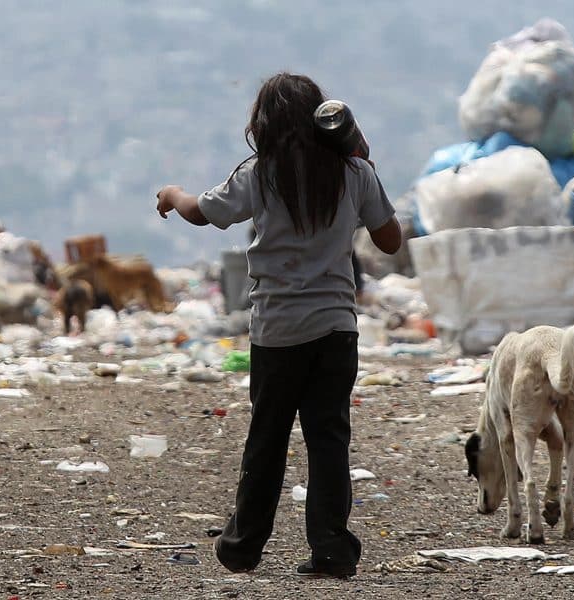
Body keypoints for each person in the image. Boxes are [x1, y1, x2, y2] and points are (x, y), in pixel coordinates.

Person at [155, 72, 402, 578]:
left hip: (278, 330)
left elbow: (204, 213)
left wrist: (171, 193)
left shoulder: (261, 173)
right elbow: (391, 240)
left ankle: (243, 547)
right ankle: (332, 550)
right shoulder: (353, 173)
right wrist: (365, 161)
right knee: (328, 439)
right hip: (336, 329)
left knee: (267, 439)